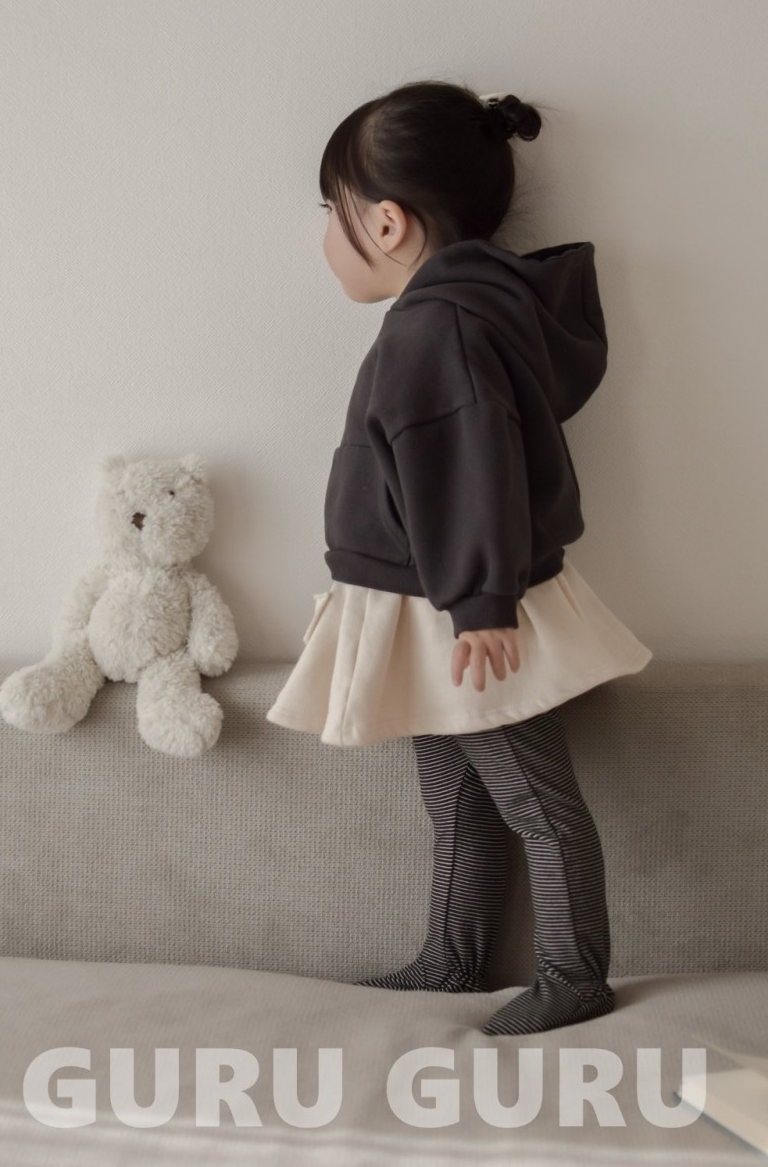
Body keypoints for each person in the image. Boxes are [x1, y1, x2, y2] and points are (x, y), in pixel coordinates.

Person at [265, 78, 653, 1036]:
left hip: (462, 610)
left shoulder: (435, 325)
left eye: (331, 211)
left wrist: (481, 605)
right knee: (458, 797)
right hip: (427, 601)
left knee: (532, 798)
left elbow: (470, 458)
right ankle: (452, 956)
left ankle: (574, 975)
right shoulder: (465, 310)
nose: (325, 237)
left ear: (385, 223)